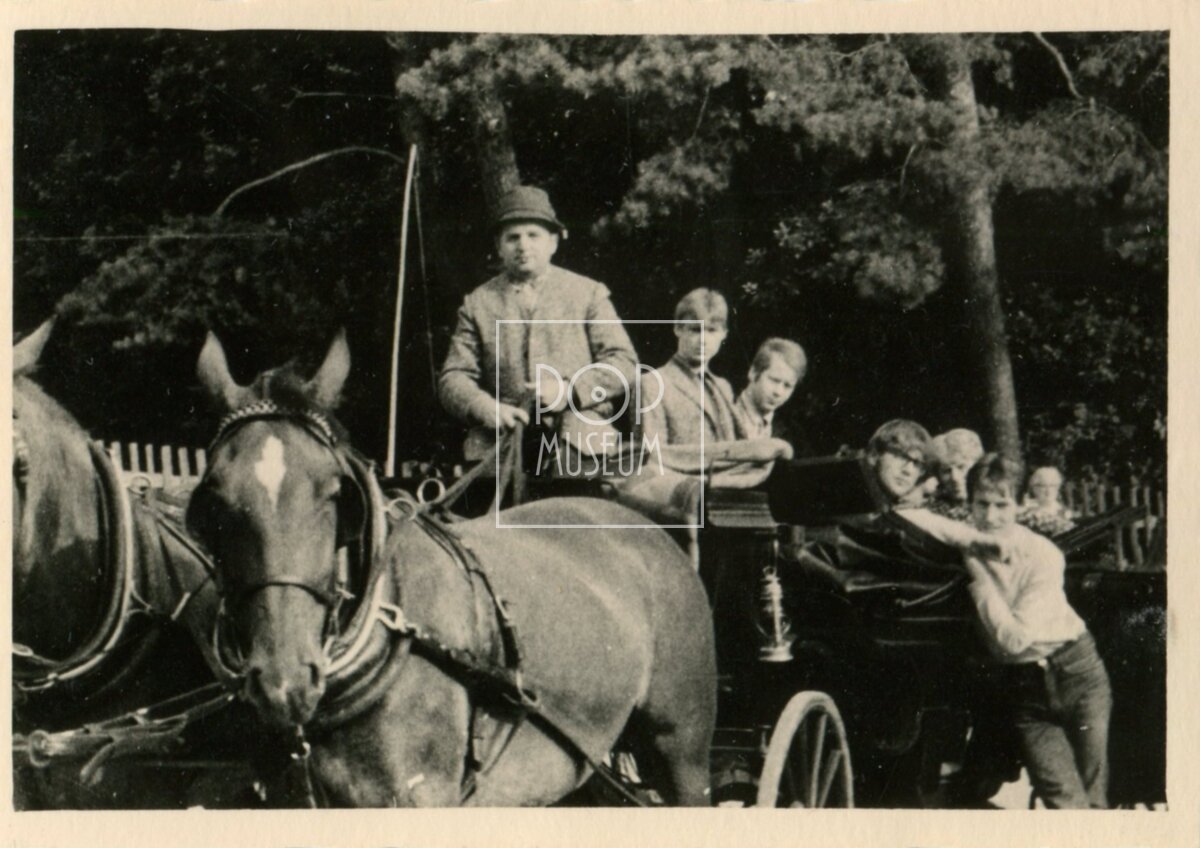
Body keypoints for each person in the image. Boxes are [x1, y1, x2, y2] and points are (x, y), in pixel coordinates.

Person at [438, 186, 638, 461]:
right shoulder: (478, 303)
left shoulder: (588, 293)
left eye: (533, 235)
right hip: (500, 442)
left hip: (580, 438)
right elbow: (453, 376)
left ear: (553, 243)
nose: (523, 246)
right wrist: (482, 406)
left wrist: (570, 390)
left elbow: (625, 363)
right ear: (498, 246)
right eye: (513, 237)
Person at [960, 454, 1111, 809]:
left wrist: (977, 577)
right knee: (1063, 798)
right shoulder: (965, 542)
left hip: (1078, 673)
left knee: (1094, 798)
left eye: (1002, 505)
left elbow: (1014, 640)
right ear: (969, 505)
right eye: (982, 504)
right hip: (1025, 691)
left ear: (1020, 504)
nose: (990, 516)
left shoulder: (1043, 555)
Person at [735, 338, 807, 441]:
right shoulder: (721, 412)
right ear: (753, 373)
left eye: (787, 386)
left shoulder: (793, 435)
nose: (778, 392)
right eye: (774, 380)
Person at [926, 428, 985, 521]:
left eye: (961, 467)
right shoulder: (930, 510)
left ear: (977, 466)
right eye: (946, 471)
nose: (954, 477)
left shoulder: (992, 508)